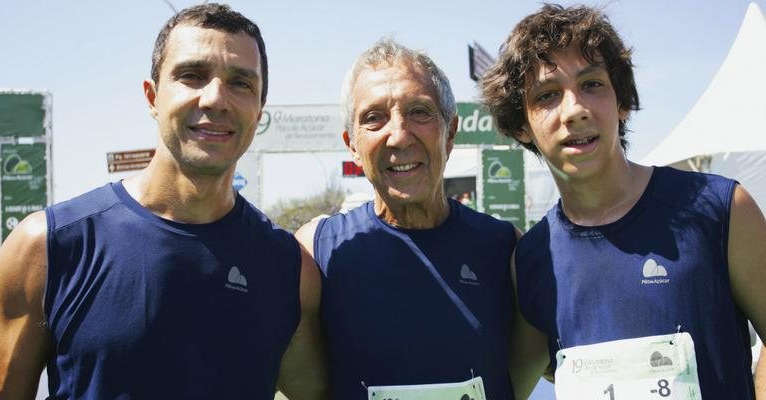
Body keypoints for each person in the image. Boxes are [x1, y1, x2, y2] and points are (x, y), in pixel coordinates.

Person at [0, 4, 328, 399]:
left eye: (241, 83)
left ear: (259, 112)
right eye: (192, 75)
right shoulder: (46, 247)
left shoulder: (289, 269)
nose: (215, 99)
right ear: (152, 96)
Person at [480, 4, 766, 399]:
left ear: (623, 103)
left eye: (592, 84)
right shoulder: (532, 258)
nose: (575, 110)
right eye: (547, 95)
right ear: (521, 127)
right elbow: (506, 387)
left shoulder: (722, 209)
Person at [296, 39, 520, 400]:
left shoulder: (507, 250)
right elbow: (303, 388)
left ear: (450, 133)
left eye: (419, 111)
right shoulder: (314, 253)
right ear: (352, 144)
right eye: (374, 118)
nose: (399, 135)